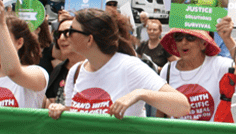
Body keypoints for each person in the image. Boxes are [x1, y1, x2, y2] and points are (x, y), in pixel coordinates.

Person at [47, 8, 189, 119]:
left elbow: (182, 106)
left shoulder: (129, 67)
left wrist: (140, 94)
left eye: (70, 31)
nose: (64, 37)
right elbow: (78, 117)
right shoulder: (76, 71)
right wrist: (63, 111)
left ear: (89, 39)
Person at [155, 19, 236, 121]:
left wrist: (227, 39)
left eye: (190, 37)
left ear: (203, 44)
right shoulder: (168, 70)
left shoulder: (218, 65)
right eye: (178, 37)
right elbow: (161, 109)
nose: (183, 42)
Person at [44, 17, 85, 107]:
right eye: (58, 34)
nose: (62, 38)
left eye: (68, 33)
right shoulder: (58, 70)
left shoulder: (97, 68)